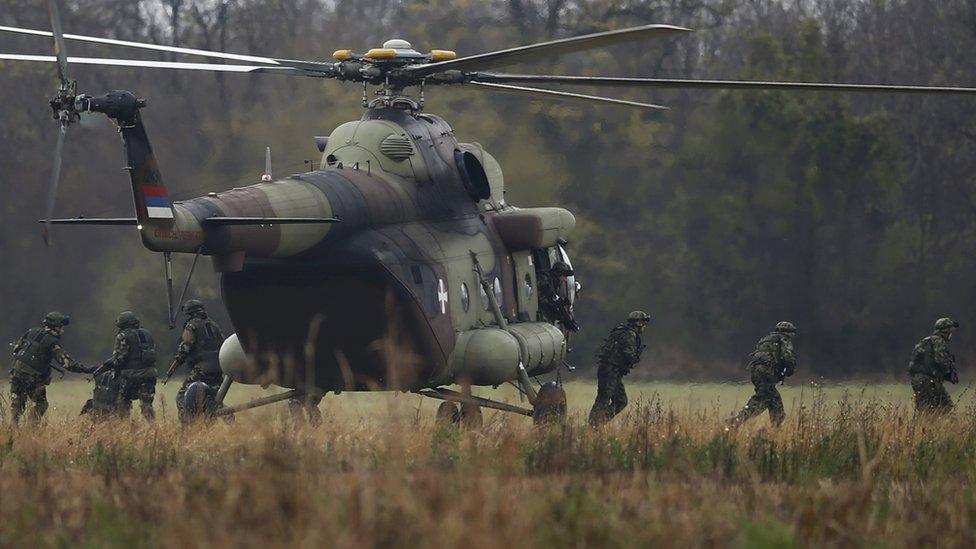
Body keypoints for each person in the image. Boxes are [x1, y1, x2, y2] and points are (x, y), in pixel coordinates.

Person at [8, 312, 86, 423]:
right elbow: (67, 363)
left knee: (17, 403)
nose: (62, 330)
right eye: (61, 327)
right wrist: (87, 369)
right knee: (40, 404)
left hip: (16, 372)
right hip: (32, 378)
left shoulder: (31, 332)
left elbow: (16, 351)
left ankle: (12, 431)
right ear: (55, 327)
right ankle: (31, 430)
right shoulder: (52, 342)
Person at [729, 321, 798, 427]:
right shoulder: (784, 340)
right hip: (768, 374)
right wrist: (789, 371)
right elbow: (788, 359)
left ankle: (775, 430)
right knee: (763, 401)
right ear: (789, 332)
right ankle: (736, 421)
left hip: (756, 374)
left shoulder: (765, 340)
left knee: (773, 401)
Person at [588, 310, 650, 426]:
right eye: (644, 323)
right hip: (611, 370)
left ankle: (598, 423)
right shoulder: (630, 335)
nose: (645, 326)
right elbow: (628, 354)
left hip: (610, 370)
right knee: (604, 399)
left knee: (620, 401)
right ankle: (593, 426)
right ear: (639, 324)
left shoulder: (621, 331)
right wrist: (635, 358)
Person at [169, 300, 225, 420]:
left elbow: (185, 349)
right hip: (218, 368)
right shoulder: (214, 325)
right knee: (213, 398)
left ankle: (187, 426)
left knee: (182, 395)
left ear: (191, 313)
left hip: (201, 369)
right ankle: (227, 420)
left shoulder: (192, 325)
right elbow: (223, 345)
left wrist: (174, 366)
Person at [99, 311, 158, 420]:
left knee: (122, 402)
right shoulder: (147, 334)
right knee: (147, 404)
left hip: (132, 375)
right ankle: (153, 427)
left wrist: (109, 367)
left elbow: (119, 358)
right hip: (150, 374)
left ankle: (124, 427)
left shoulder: (123, 336)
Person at [908, 317, 960, 413]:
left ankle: (922, 427)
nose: (951, 334)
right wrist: (949, 372)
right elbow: (941, 361)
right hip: (929, 381)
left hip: (917, 380)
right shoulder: (939, 342)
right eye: (950, 331)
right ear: (946, 331)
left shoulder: (925, 341)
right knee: (946, 406)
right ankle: (935, 426)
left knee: (925, 409)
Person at [537, 261, 579, 332]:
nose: (565, 280)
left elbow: (554, 301)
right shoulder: (544, 279)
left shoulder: (554, 283)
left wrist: (565, 317)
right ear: (558, 274)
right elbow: (548, 299)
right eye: (564, 276)